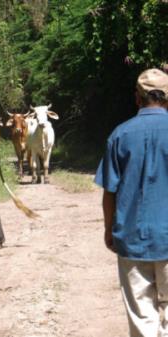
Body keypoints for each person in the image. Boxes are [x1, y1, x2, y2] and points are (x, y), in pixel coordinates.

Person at [95, 68, 168, 337]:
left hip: (131, 238)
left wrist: (108, 229)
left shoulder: (120, 135)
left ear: (137, 98)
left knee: (142, 316)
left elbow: (109, 191)